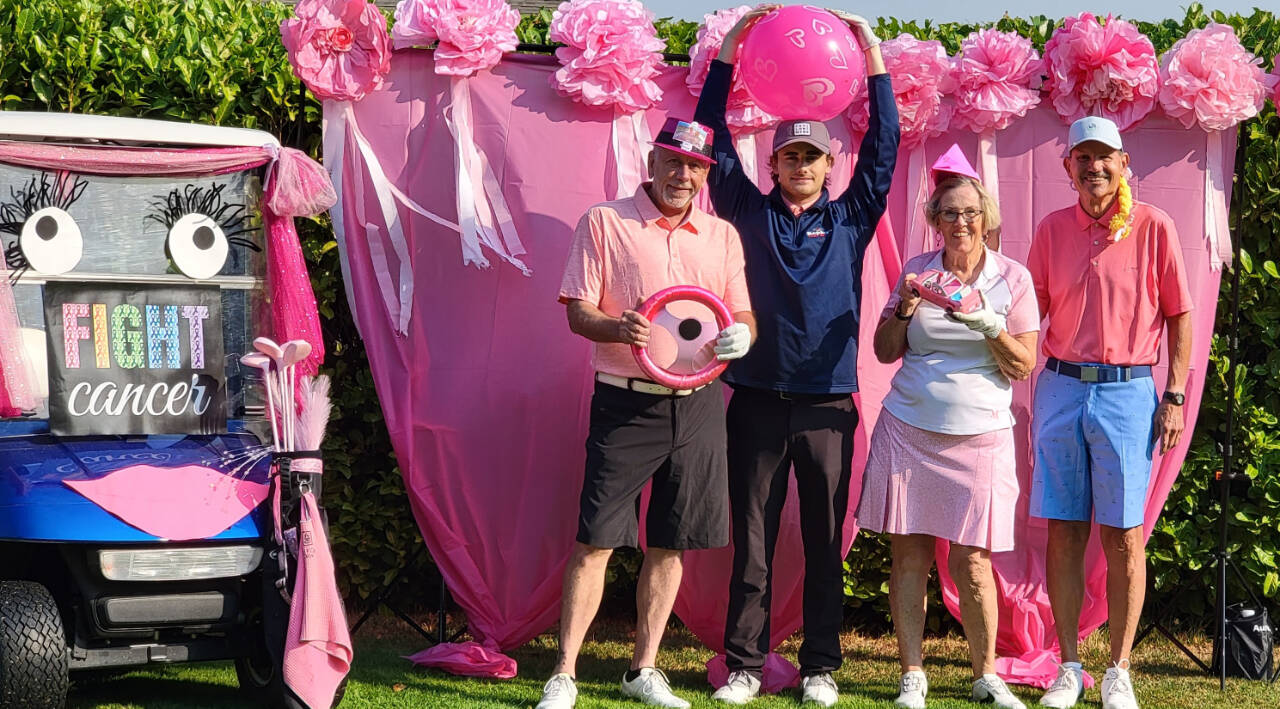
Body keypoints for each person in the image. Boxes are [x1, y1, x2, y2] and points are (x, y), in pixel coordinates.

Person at [692, 7, 899, 706]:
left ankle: (820, 666)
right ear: (774, 162)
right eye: (790, 155)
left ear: (829, 164)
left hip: (828, 407)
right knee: (749, 542)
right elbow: (711, 139)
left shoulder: (851, 217)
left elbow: (886, 148)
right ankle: (745, 664)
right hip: (752, 401)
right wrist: (727, 52)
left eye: (813, 156)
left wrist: (871, 52)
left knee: (820, 542)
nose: (801, 165)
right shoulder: (747, 213)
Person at [537, 117, 756, 709]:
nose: (683, 175)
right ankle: (564, 673)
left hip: (700, 405)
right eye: (674, 162)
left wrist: (742, 340)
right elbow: (578, 312)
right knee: (596, 540)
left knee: (671, 542)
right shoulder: (605, 221)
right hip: (625, 402)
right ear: (653, 162)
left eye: (696, 166)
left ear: (706, 173)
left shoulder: (722, 237)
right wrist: (618, 325)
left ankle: (644, 668)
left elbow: (741, 315)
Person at [856, 147, 1038, 709]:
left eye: (970, 212)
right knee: (908, 556)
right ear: (934, 219)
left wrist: (989, 326)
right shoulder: (916, 269)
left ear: (987, 218)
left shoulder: (1014, 278)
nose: (960, 222)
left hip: (981, 433)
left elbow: (1024, 363)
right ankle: (914, 674)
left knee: (973, 561)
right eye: (949, 213)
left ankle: (985, 674)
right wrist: (904, 308)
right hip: (909, 426)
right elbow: (885, 352)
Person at [1026, 116, 1193, 709]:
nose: (1094, 167)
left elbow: (1180, 314)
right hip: (1060, 388)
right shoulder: (1050, 230)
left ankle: (1119, 668)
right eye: (1083, 158)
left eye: (1105, 157)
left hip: (1128, 392)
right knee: (1065, 531)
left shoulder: (1154, 226)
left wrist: (1174, 395)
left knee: (1124, 535)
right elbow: (1028, 315)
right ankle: (1070, 665)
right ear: (1068, 168)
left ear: (1124, 164)